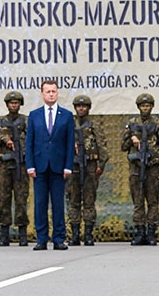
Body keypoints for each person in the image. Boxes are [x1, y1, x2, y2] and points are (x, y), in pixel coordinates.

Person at [25, 79, 75, 250]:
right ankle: (41, 238)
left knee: (58, 203)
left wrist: (68, 166)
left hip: (58, 166)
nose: (51, 94)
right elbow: (29, 142)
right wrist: (29, 165)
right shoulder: (34, 115)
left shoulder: (66, 115)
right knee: (40, 203)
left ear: (57, 93)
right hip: (39, 166)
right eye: (48, 91)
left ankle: (59, 238)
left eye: (54, 91)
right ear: (42, 94)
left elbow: (70, 143)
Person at [121, 93, 159, 246]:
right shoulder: (132, 124)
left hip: (152, 168)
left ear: (151, 106)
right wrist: (131, 139)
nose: (145, 108)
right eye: (143, 105)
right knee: (137, 201)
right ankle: (139, 231)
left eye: (148, 105)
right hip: (136, 169)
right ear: (138, 107)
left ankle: (151, 232)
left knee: (153, 201)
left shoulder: (157, 124)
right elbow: (123, 147)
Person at [66, 94, 109, 246]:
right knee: (74, 201)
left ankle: (89, 234)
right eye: (78, 106)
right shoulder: (68, 125)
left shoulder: (93, 125)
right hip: (73, 165)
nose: (81, 108)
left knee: (89, 201)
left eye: (84, 106)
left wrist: (100, 165)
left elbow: (102, 147)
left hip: (90, 166)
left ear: (88, 108)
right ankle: (75, 234)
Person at [0, 91, 30, 247]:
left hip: (21, 165)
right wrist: (4, 138)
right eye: (11, 103)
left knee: (21, 200)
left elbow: (33, 140)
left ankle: (22, 234)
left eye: (17, 103)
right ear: (7, 105)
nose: (14, 105)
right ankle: (4, 234)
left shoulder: (25, 122)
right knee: (4, 199)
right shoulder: (0, 122)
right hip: (4, 166)